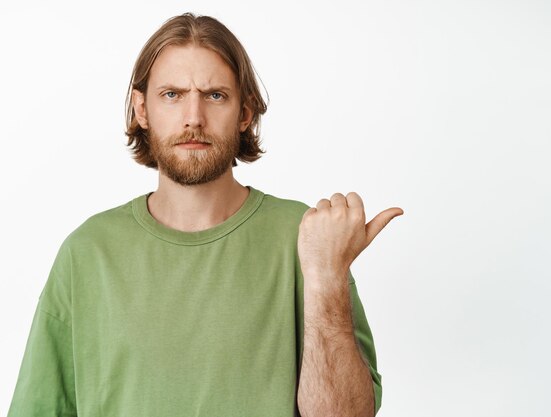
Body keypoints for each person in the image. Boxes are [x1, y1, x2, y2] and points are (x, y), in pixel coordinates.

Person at [7, 12, 403, 417]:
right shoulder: (88, 253)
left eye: (214, 95)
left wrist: (326, 277)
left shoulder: (304, 240)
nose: (193, 118)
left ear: (245, 113)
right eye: (172, 95)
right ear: (142, 110)